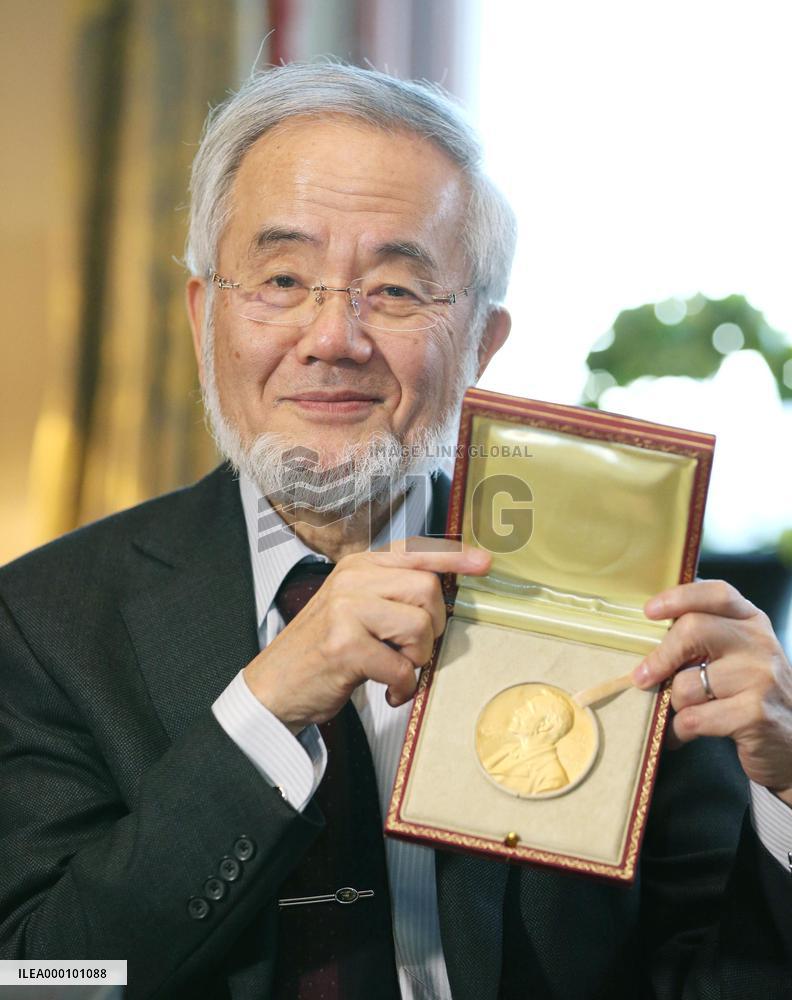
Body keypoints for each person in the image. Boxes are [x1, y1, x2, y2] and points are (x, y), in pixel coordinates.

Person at [1, 61, 791, 1000]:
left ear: (483, 344)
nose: (334, 337)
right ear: (206, 314)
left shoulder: (610, 602)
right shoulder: (44, 621)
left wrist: (786, 794)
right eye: (283, 278)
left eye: (397, 291)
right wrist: (266, 709)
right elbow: (41, 975)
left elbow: (710, 977)